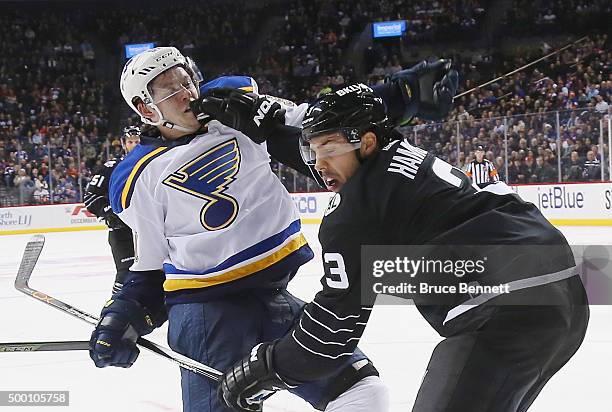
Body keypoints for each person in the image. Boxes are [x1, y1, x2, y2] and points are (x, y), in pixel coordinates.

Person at [90, 46, 452, 411]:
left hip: (271, 298)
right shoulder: (137, 177)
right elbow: (151, 266)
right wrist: (125, 315)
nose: (186, 93)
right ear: (146, 109)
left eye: (185, 80)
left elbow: (316, 123)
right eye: (169, 90)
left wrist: (399, 96)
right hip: (207, 315)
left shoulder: (232, 103)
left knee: (362, 392)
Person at [214, 85, 590, 412]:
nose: (319, 165)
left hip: (505, 314)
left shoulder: (352, 212)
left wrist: (269, 366)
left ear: (367, 142)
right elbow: (343, 162)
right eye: (313, 150)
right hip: (567, 298)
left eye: (327, 147)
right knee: (384, 269)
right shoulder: (402, 157)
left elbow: (333, 331)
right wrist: (267, 132)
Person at [84, 126, 141, 293]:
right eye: (130, 142)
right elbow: (91, 196)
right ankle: (116, 314)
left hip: (150, 231)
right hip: (122, 232)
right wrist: (109, 211)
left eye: (137, 141)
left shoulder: (155, 165)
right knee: (125, 277)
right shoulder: (112, 167)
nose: (135, 145)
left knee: (155, 276)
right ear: (123, 144)